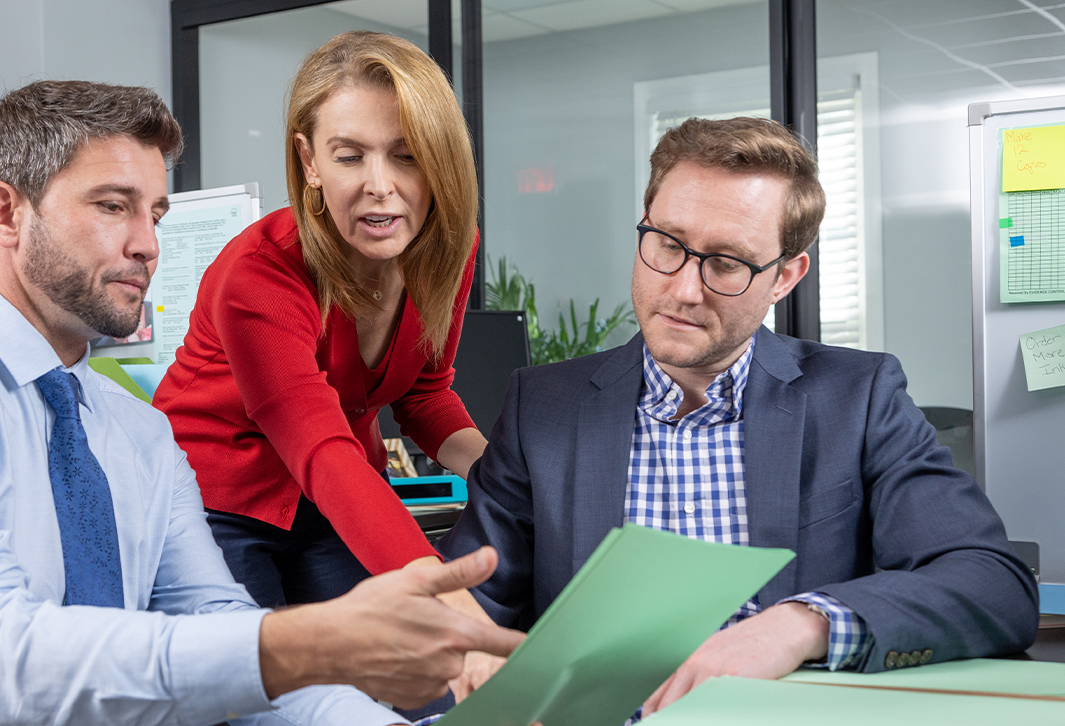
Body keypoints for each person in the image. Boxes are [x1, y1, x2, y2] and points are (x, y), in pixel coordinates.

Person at [0, 80, 523, 726]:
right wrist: (316, 641)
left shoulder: (135, 431)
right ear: (5, 215)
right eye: (112, 207)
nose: (146, 245)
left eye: (155, 216)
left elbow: (220, 634)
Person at [439, 116, 1039, 715]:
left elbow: (991, 582)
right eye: (668, 245)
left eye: (726, 263)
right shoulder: (542, 407)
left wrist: (797, 626)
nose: (682, 289)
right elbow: (467, 610)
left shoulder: (857, 398)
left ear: (784, 277)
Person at [154, 32, 492, 632]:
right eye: (349, 155)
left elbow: (425, 394)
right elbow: (318, 445)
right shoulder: (258, 272)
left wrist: (503, 483)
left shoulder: (445, 251)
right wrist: (439, 592)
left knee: (392, 671)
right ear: (309, 162)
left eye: (407, 154)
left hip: (335, 492)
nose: (379, 184)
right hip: (218, 496)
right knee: (267, 692)